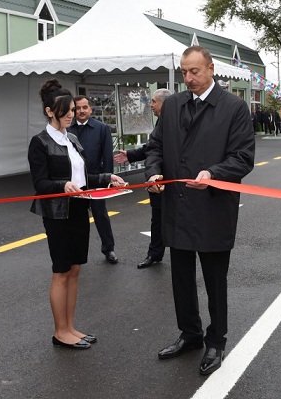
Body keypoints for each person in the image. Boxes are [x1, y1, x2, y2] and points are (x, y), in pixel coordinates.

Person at [145, 46, 255, 376]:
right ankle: (189, 333)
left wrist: (213, 173)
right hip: (177, 206)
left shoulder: (233, 108)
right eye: (184, 73)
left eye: (195, 71)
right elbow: (156, 146)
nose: (189, 78)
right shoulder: (174, 105)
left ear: (210, 69)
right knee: (180, 277)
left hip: (212, 208)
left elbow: (242, 157)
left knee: (214, 280)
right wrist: (153, 171)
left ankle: (216, 341)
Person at [28, 84, 125, 349]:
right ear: (49, 111)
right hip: (58, 214)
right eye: (65, 111)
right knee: (61, 271)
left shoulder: (71, 139)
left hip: (80, 208)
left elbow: (84, 178)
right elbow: (40, 183)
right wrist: (62, 186)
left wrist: (107, 178)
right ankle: (60, 332)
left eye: (72, 110)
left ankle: (70, 327)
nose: (71, 115)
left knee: (75, 270)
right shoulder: (40, 142)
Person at [114, 88, 171, 269]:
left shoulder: (177, 122)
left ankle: (183, 257)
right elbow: (153, 147)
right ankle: (154, 254)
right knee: (157, 219)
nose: (151, 105)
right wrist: (130, 155)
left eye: (154, 101)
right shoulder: (160, 122)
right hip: (157, 181)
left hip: (172, 180)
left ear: (164, 103)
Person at [68, 96, 119, 264]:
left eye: (85, 107)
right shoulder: (67, 129)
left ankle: (109, 249)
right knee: (75, 218)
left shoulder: (102, 128)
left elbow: (107, 156)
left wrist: (107, 181)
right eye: (78, 108)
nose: (81, 111)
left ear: (91, 109)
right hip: (75, 182)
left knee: (100, 215)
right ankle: (76, 251)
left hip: (96, 181)